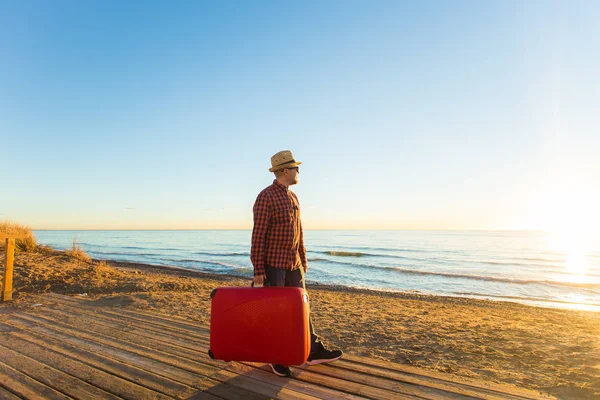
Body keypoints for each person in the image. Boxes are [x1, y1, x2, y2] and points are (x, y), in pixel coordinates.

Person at [251, 150, 343, 377]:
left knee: (303, 308)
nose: (298, 171)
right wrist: (258, 270)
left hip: (294, 264)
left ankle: (312, 351)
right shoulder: (266, 197)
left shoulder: (293, 197)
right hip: (274, 265)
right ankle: (275, 356)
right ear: (285, 171)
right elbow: (258, 235)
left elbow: (298, 232)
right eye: (295, 168)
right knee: (277, 313)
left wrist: (303, 258)